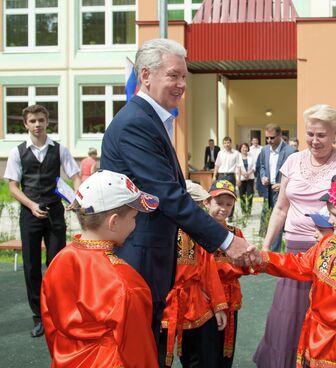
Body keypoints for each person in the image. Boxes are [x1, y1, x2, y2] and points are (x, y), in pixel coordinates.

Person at [100, 38, 252, 346]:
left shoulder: (150, 119)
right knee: (137, 348)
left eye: (184, 76)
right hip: (137, 255)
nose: (182, 84)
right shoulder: (136, 123)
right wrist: (226, 240)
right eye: (173, 75)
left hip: (150, 254)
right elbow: (167, 195)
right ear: (145, 75)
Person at [254, 105, 336, 368]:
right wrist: (267, 247)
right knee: (288, 318)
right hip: (294, 250)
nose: (315, 141)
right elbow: (281, 208)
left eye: (322, 135)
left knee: (324, 315)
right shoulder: (292, 160)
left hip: (329, 251)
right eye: (310, 134)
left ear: (335, 133)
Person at [249, 175, 336, 368]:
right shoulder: (328, 242)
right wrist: (262, 258)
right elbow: (299, 265)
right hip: (314, 339)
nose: (330, 220)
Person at [41, 170, 158, 367]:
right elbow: (140, 352)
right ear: (113, 222)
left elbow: (51, 327)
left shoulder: (59, 260)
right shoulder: (126, 283)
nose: (134, 224)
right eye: (133, 217)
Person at [4, 104, 81, 337]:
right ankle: (39, 317)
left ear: (47, 122)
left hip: (55, 212)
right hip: (30, 213)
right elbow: (12, 187)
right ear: (26, 124)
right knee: (31, 267)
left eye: (41, 120)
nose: (37, 124)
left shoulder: (60, 149)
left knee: (57, 265)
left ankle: (59, 314)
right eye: (32, 121)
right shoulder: (17, 151)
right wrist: (31, 205)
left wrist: (76, 197)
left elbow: (75, 176)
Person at [160, 181, 228, 367]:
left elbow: (208, 269)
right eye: (193, 204)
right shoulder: (158, 231)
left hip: (195, 303)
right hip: (164, 303)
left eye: (197, 205)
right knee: (157, 358)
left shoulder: (198, 233)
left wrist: (218, 305)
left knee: (198, 358)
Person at [207, 180, 254, 367]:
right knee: (207, 347)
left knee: (226, 349)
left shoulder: (235, 233)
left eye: (229, 204)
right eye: (219, 203)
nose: (224, 209)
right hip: (205, 298)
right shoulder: (197, 232)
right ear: (206, 202)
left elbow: (245, 265)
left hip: (230, 296)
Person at [257, 123, 297, 252]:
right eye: (267, 138)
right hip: (268, 191)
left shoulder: (291, 152)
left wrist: (283, 185)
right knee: (268, 221)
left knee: (279, 223)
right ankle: (268, 250)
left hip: (283, 193)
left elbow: (296, 173)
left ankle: (275, 255)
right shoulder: (264, 150)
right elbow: (262, 166)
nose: (269, 141)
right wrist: (263, 176)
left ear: (280, 135)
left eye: (272, 138)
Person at [238, 142, 255, 216]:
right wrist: (243, 174)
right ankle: (244, 211)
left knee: (250, 195)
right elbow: (237, 167)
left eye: (246, 147)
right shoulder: (237, 157)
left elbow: (254, 167)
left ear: (248, 148)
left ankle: (249, 211)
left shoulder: (251, 156)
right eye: (243, 147)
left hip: (250, 178)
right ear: (240, 149)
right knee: (242, 196)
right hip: (241, 179)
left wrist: (249, 173)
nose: (244, 149)